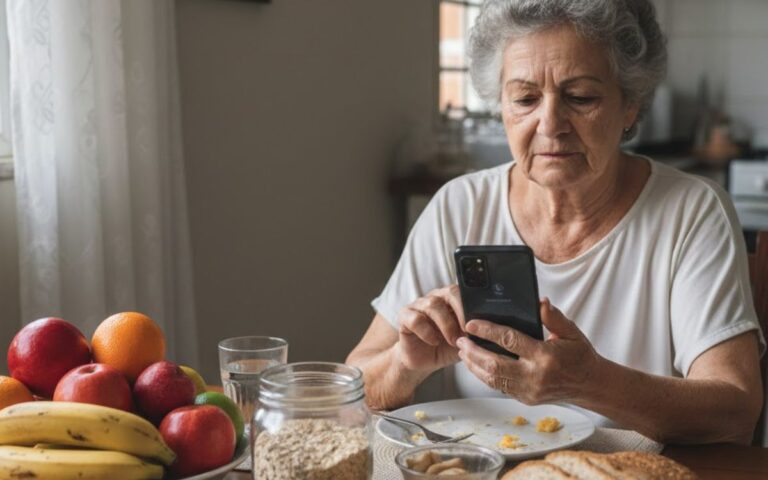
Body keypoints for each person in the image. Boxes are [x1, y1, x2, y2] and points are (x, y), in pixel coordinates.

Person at [347, 0, 765, 444]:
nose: (550, 125)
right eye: (525, 99)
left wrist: (590, 383)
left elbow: (735, 410)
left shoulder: (691, 211)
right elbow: (354, 390)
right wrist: (404, 364)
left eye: (581, 97)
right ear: (501, 106)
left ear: (630, 105)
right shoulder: (459, 205)